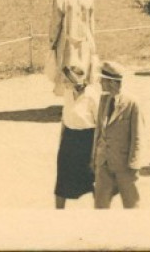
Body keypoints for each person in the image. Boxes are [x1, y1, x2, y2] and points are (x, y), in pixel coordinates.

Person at [90, 62, 143, 209]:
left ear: (112, 82)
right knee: (100, 206)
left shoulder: (132, 103)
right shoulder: (103, 100)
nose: (100, 83)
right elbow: (98, 131)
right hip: (103, 162)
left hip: (124, 166)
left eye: (102, 80)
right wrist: (94, 157)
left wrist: (134, 165)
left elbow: (137, 136)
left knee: (131, 206)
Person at [54, 63, 100, 208]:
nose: (63, 82)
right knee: (62, 179)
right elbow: (64, 117)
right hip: (69, 138)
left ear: (74, 81)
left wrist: (95, 154)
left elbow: (100, 125)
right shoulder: (68, 92)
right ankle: (57, 216)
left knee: (92, 179)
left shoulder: (91, 95)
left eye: (66, 80)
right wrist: (62, 140)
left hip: (87, 140)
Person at [48, 0, 98, 95]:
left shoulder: (60, 0)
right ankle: (81, 96)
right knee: (84, 65)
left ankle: (70, 98)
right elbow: (91, 22)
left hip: (66, 40)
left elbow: (55, 24)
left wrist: (53, 41)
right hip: (85, 38)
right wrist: (92, 39)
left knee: (67, 67)